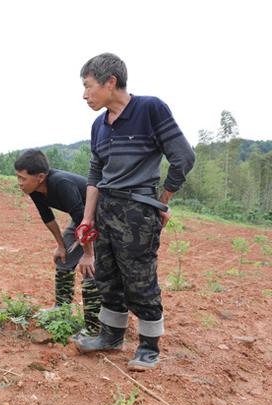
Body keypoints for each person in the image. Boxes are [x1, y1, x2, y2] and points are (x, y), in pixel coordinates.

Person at [74, 53, 195, 370]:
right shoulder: (99, 125)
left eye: (88, 86)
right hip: (106, 209)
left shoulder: (150, 109)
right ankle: (110, 336)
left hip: (138, 211)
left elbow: (183, 157)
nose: (84, 95)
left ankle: (149, 347)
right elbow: (94, 175)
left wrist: (162, 200)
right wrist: (87, 217)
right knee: (108, 278)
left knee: (139, 280)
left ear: (110, 82)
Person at [14, 149, 101, 340]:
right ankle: (61, 309)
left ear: (40, 177)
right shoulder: (34, 189)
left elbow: (82, 219)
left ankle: (95, 328)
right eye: (17, 177)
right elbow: (48, 217)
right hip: (80, 220)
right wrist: (61, 245)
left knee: (91, 269)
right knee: (63, 259)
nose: (19, 183)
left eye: (22, 178)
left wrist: (88, 254)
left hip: (99, 216)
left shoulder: (61, 183)